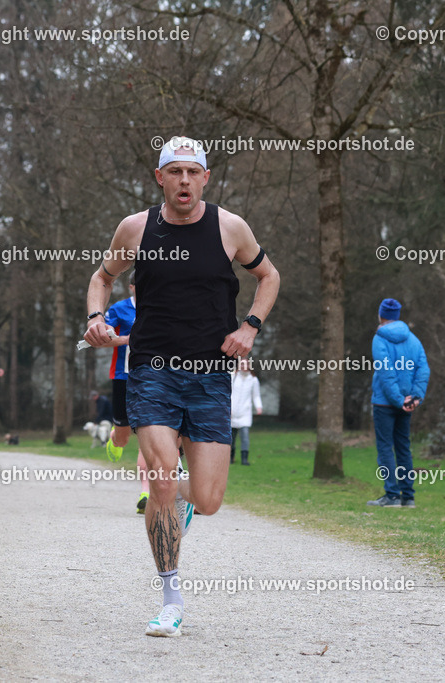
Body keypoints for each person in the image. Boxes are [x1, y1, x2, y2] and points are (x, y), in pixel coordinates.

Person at [83, 136, 280, 637]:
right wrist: (95, 318)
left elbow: (269, 276)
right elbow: (101, 278)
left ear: (206, 178)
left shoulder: (230, 227)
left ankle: (168, 503)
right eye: (175, 172)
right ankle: (170, 597)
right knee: (163, 477)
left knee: (209, 499)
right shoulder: (136, 228)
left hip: (211, 376)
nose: (185, 181)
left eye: (194, 172)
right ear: (160, 178)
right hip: (151, 370)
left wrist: (249, 327)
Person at [367, 298, 430, 508]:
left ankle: (391, 495)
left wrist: (397, 399)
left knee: (385, 448)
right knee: (404, 448)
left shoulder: (379, 339)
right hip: (407, 403)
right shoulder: (414, 339)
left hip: (385, 403)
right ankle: (408, 497)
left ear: (380, 315)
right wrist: (415, 397)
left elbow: (386, 373)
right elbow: (423, 369)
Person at [102, 273, 152, 513]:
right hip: (123, 377)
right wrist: (127, 339)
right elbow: (104, 339)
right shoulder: (119, 309)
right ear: (132, 286)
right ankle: (116, 437)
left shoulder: (159, 307)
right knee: (124, 436)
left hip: (153, 379)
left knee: (148, 436)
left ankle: (146, 494)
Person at [230, 358, 262, 465]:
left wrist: (259, 407)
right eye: (241, 365)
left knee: (244, 436)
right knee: (231, 437)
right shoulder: (233, 377)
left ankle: (244, 459)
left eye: (245, 365)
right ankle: (231, 457)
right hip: (232, 412)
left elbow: (256, 395)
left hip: (245, 412)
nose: (243, 367)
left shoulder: (253, 380)